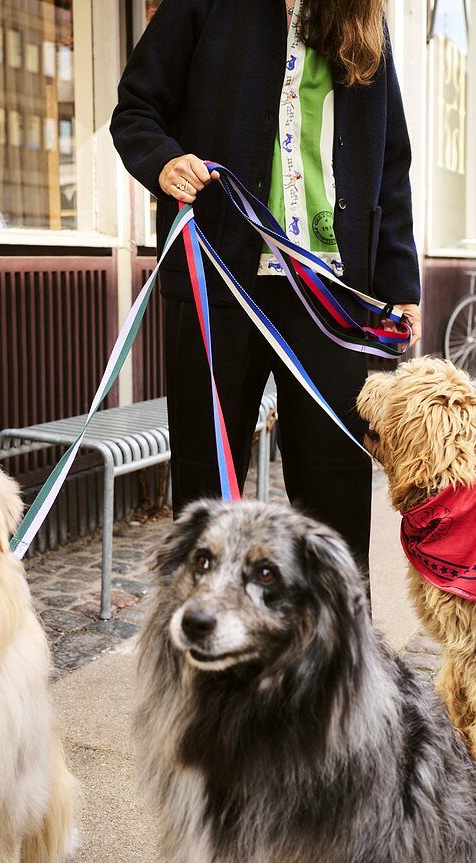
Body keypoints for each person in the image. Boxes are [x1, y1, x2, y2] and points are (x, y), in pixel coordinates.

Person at [110, 0, 421, 582]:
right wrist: (164, 162)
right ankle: (207, 646)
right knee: (208, 485)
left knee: (336, 493)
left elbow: (391, 161)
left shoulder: (364, 20)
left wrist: (400, 281)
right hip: (218, 279)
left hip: (333, 295)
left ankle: (334, 662)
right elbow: (136, 109)